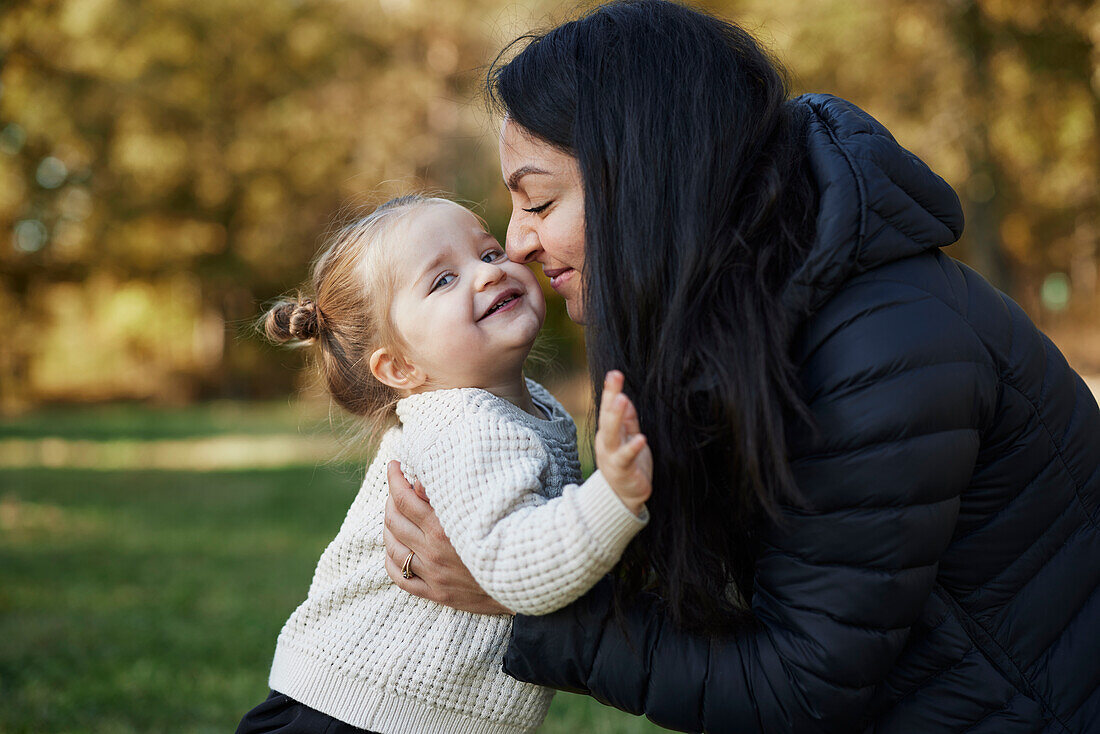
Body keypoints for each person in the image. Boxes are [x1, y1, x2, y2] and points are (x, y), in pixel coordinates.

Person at [382, 2, 1100, 732]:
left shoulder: (876, 349)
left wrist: (519, 596)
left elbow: (803, 688)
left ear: (645, 178)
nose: (518, 241)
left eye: (538, 199)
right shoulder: (755, 313)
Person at [236, 194, 653, 734]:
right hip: (357, 714)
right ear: (400, 365)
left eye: (488, 252)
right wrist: (614, 497)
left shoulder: (527, 406)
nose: (487, 274)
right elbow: (517, 568)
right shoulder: (463, 424)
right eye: (442, 281)